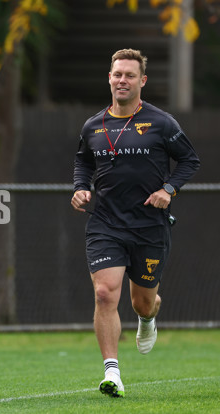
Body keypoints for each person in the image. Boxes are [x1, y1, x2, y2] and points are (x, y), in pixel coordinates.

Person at [71, 48, 200, 398]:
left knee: (142, 301)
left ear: (142, 81)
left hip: (149, 226)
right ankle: (112, 371)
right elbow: (83, 163)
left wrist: (168, 189)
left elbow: (189, 160)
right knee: (104, 293)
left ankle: (147, 317)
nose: (122, 80)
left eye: (129, 75)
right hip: (106, 223)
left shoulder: (162, 123)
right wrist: (81, 188)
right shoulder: (92, 125)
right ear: (109, 78)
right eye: (117, 74)